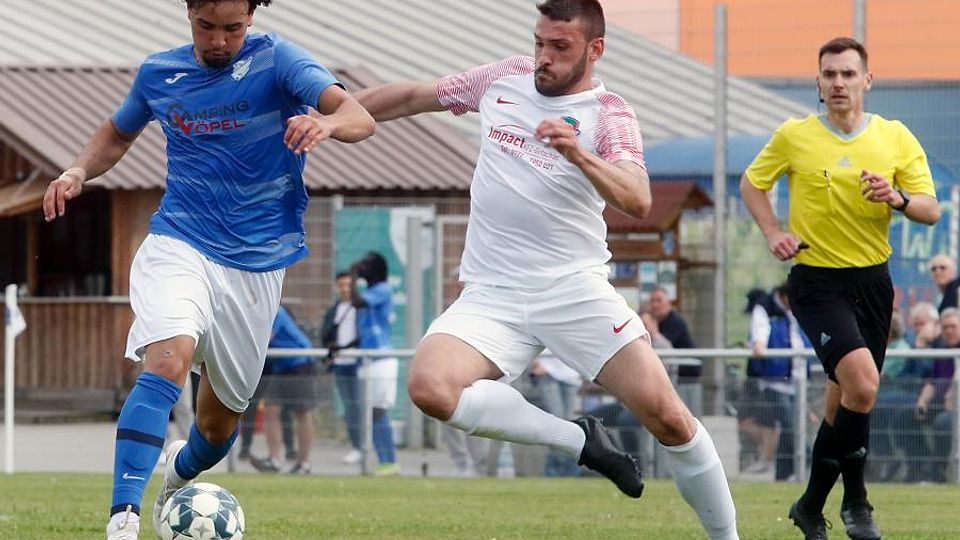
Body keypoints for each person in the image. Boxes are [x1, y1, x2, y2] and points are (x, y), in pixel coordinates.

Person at [355, 1, 739, 537]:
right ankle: (579, 440)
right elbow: (416, 95)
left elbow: (637, 197)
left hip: (574, 290)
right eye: (540, 42)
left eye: (560, 47)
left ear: (594, 49)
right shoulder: (502, 79)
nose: (544, 57)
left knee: (669, 418)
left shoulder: (611, 113)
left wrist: (580, 155)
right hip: (492, 293)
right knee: (430, 387)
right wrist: (337, 114)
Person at [41, 1, 375, 538]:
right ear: (189, 14)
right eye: (207, 27)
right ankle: (122, 518)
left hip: (258, 266)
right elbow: (117, 131)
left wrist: (327, 124)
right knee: (168, 359)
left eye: (233, 29)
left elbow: (361, 117)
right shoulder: (160, 72)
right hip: (181, 241)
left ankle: (177, 471)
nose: (220, 41)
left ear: (250, 19)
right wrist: (78, 169)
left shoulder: (280, 60)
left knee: (218, 428)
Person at [740, 36, 938, 540]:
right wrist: (773, 232)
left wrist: (895, 197)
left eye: (849, 74)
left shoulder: (894, 137)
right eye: (829, 74)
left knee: (845, 403)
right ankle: (857, 503)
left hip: (873, 282)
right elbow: (752, 183)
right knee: (864, 384)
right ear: (818, 81)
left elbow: (930, 209)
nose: (838, 83)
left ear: (867, 80)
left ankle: (810, 506)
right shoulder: (795, 135)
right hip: (816, 281)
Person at [739, 285, 807, 481]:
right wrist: (758, 344)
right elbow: (760, 332)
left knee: (790, 427)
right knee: (790, 425)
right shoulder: (765, 308)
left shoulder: (791, 313)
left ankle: (785, 472)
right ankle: (808, 464)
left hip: (795, 379)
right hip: (774, 380)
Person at [250, 305, 317, 474]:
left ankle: (304, 463)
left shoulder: (275, 311)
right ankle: (275, 460)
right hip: (281, 365)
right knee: (271, 410)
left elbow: (265, 338)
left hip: (299, 362)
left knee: (302, 412)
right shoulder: (255, 312)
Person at [352, 251, 401, 476]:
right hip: (367, 359)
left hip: (381, 359)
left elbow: (357, 301)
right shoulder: (370, 292)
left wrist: (352, 277)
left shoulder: (382, 290)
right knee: (368, 413)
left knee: (378, 411)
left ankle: (389, 460)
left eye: (365, 264)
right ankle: (381, 460)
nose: (361, 267)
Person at [321, 271, 363, 465]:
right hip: (340, 364)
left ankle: (365, 446)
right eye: (342, 285)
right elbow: (327, 333)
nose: (345, 289)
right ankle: (356, 446)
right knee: (349, 406)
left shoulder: (362, 308)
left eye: (348, 285)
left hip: (359, 363)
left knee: (360, 406)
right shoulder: (334, 310)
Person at [649, 286, 702, 415]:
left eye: (659, 300)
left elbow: (664, 347)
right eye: (652, 301)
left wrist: (653, 332)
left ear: (668, 304)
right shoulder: (657, 322)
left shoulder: (676, 322)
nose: (655, 305)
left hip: (685, 378)